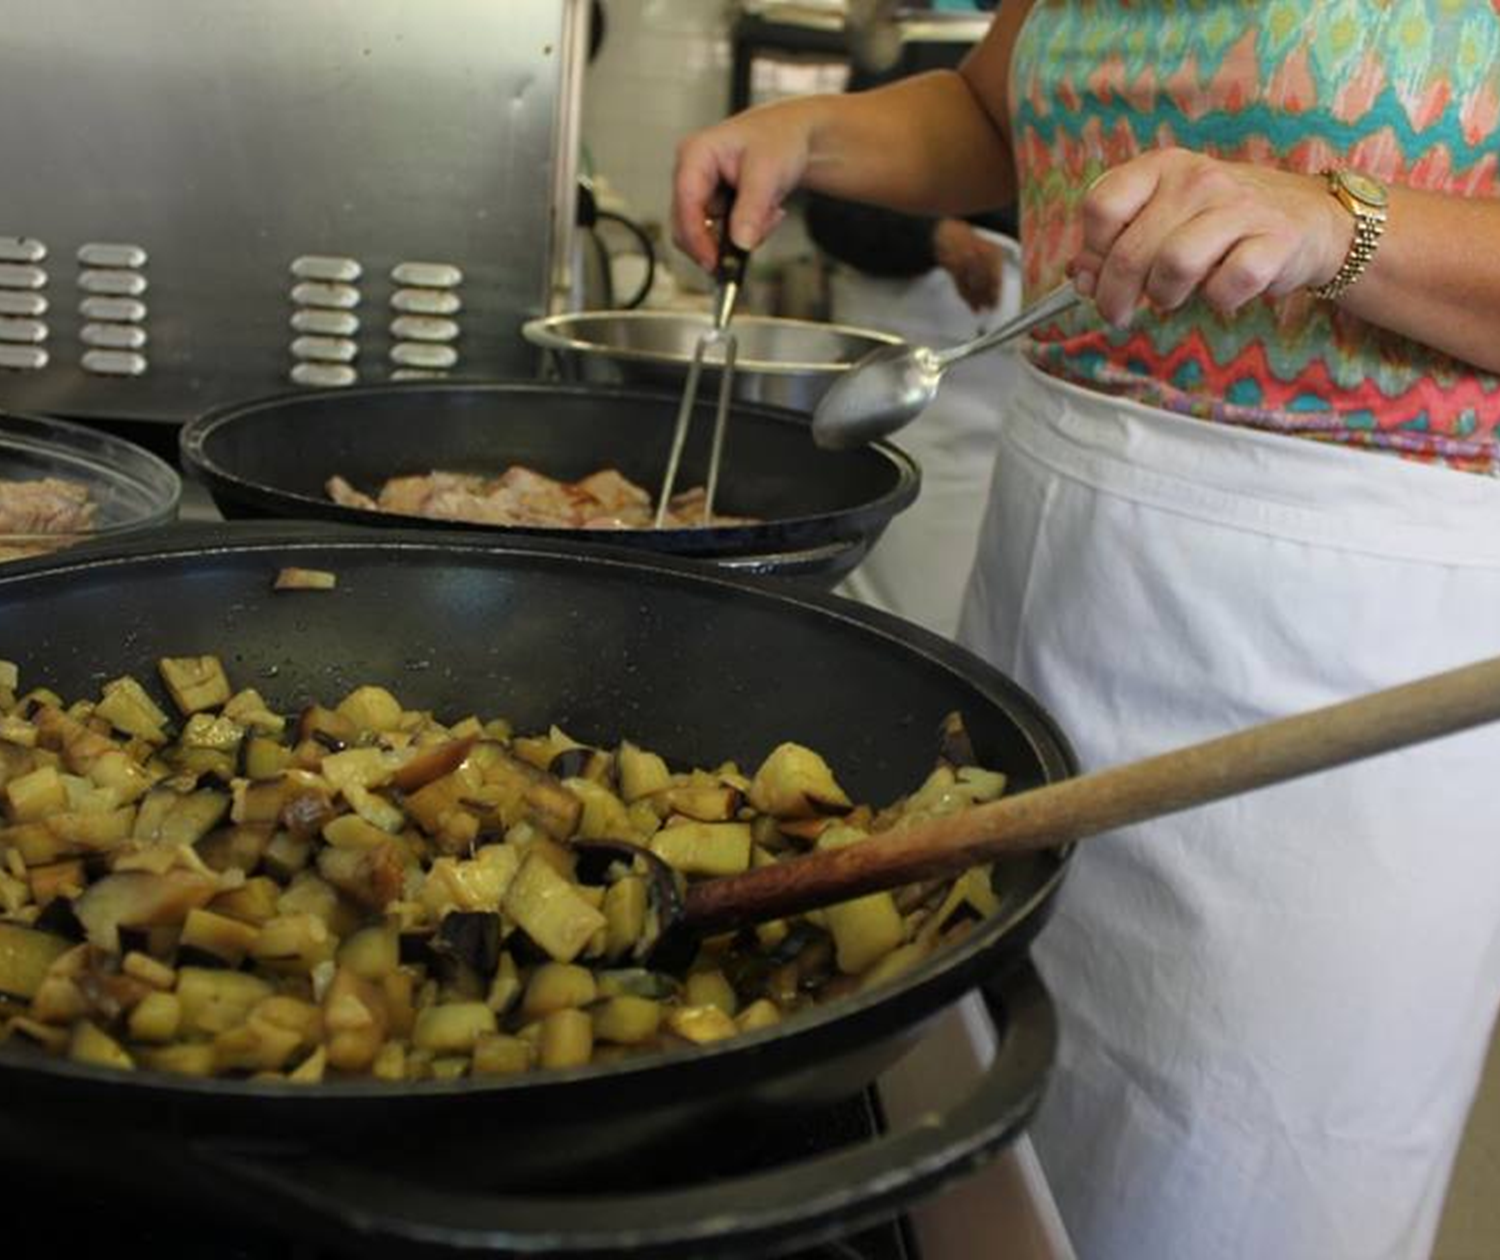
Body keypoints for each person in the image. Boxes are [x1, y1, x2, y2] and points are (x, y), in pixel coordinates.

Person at [671, 5, 1500, 1259]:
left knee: (1215, 1184)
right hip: (1052, 586)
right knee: (984, 1157)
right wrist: (814, 133)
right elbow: (998, 112)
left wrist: (1345, 223)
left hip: (1338, 658)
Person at [803, 26, 1022, 637]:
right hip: (910, 374)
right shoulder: (901, 42)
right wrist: (931, 237)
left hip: (1011, 379)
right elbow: (835, 208)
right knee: (897, 593)